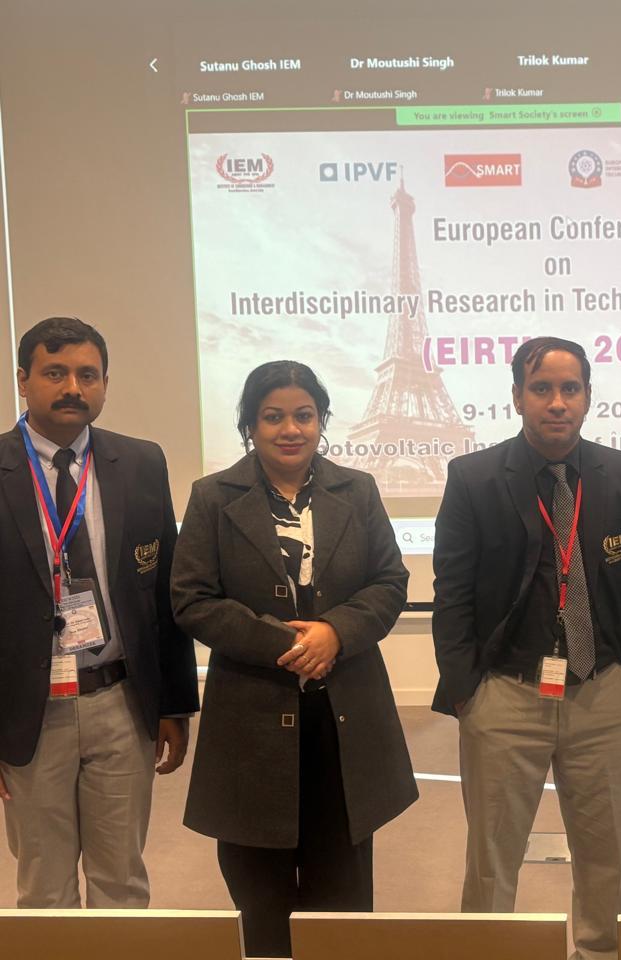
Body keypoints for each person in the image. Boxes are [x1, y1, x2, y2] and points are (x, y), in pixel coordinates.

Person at [171, 361, 417, 957]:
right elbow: (192, 599)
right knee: (262, 902)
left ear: (321, 420)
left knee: (343, 905)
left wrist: (337, 631)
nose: (290, 429)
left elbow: (389, 581)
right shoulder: (212, 497)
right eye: (273, 416)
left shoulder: (358, 490)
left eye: (304, 415)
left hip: (344, 721)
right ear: (250, 425)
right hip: (251, 725)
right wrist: (288, 644)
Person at [432, 336, 621, 960]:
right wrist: (467, 690)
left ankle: (601, 953)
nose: (556, 402)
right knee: (492, 857)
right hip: (506, 694)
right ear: (516, 397)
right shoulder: (473, 478)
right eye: (541, 389)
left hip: (604, 692)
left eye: (569, 388)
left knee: (605, 853)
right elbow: (451, 594)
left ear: (587, 396)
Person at [0, 316, 197, 908]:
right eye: (55, 373)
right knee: (45, 888)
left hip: (121, 701)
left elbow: (163, 593)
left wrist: (174, 704)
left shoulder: (141, 462)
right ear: (23, 380)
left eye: (88, 375)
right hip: (29, 710)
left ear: (106, 383)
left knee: (122, 881)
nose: (73, 388)